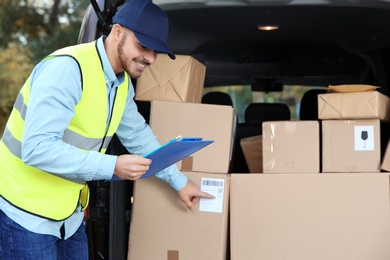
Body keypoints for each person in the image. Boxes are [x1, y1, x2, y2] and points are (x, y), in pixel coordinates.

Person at [0, 0, 214, 259]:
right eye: (143, 46)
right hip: (24, 214)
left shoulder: (121, 83)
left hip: (68, 216)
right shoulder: (68, 69)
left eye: (156, 50)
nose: (150, 58)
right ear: (117, 32)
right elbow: (36, 149)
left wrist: (179, 182)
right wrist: (112, 166)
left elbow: (137, 136)